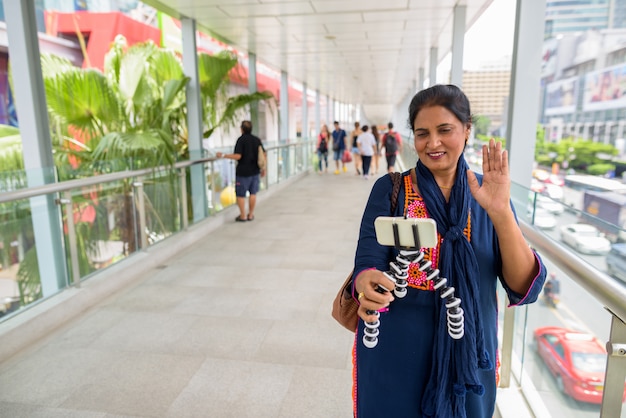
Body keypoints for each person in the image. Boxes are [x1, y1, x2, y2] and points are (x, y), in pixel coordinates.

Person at [350, 84, 547, 417]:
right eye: (422, 133)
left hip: (467, 355)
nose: (433, 143)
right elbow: (368, 259)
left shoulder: (488, 195)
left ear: (467, 129)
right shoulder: (391, 190)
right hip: (395, 351)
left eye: (445, 130)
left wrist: (500, 213)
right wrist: (367, 281)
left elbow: (522, 284)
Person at [216, 120, 265, 222]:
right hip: (255, 171)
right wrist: (263, 168)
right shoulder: (256, 140)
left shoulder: (241, 140)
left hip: (243, 173)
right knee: (253, 193)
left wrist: (224, 155)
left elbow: (238, 156)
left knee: (240, 195)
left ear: (241, 129)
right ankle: (250, 215)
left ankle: (243, 216)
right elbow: (263, 154)